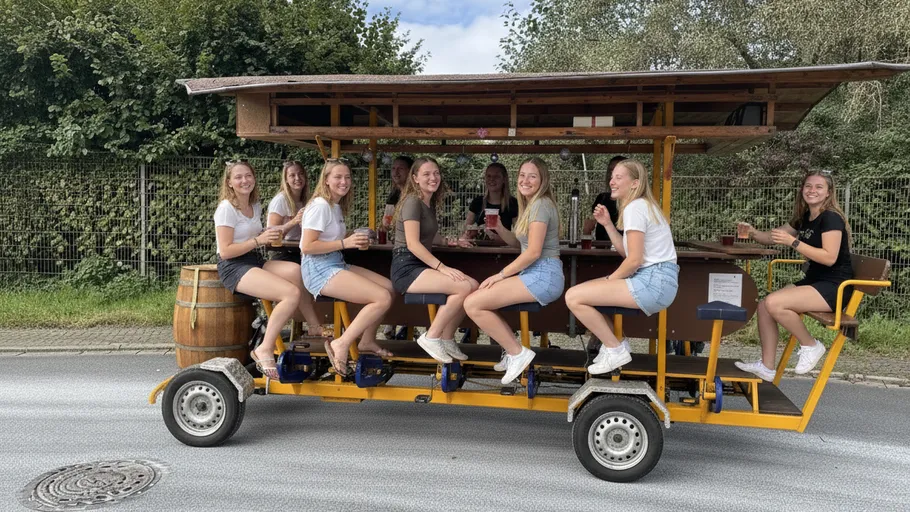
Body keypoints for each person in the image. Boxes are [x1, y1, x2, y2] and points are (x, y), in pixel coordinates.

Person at [734, 170, 853, 381]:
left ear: (828, 193)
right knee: (764, 305)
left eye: (818, 187)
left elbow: (829, 258)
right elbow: (771, 237)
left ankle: (811, 345)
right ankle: (767, 367)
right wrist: (753, 232)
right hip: (815, 282)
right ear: (802, 190)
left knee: (774, 303)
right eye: (808, 186)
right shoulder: (805, 218)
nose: (812, 190)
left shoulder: (831, 219)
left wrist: (794, 243)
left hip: (834, 286)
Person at [565, 159, 679, 374]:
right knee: (586, 293)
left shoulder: (635, 207)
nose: (612, 182)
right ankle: (618, 344)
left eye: (619, 177)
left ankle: (615, 349)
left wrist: (610, 280)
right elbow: (628, 253)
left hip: (653, 281)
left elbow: (634, 261)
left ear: (635, 183)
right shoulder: (641, 206)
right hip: (657, 280)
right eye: (612, 177)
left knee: (573, 297)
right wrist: (607, 224)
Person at [214, 161, 324, 380]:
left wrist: (276, 231)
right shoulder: (227, 208)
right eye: (238, 177)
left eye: (248, 176)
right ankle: (264, 348)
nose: (244, 181)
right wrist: (258, 240)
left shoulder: (253, 205)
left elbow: (259, 235)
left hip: (254, 260)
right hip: (234, 267)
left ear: (254, 179)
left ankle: (314, 327)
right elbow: (225, 251)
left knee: (296, 271)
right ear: (229, 183)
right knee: (289, 293)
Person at [464, 157, 565, 384]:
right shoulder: (531, 205)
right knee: (480, 301)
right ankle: (513, 352)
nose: (525, 180)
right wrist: (499, 228)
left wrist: (500, 275)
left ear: (543, 180)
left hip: (543, 274)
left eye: (532, 176)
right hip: (536, 274)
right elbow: (520, 245)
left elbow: (532, 253)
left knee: (472, 303)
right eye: (522, 175)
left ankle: (517, 353)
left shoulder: (540, 205)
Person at [299, 159, 395, 376]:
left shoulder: (334, 205)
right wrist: (345, 243)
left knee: (388, 287)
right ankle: (341, 343)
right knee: (382, 298)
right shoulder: (320, 206)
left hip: (334, 261)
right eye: (338, 177)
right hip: (318, 269)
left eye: (347, 177)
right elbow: (307, 246)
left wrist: (354, 237)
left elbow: (330, 238)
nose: (344, 181)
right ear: (326, 180)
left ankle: (367, 341)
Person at [390, 157, 479, 362]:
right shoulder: (412, 202)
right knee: (463, 287)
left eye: (436, 173)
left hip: (419, 266)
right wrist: (442, 268)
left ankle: (446, 338)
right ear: (415, 178)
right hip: (406, 267)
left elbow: (431, 236)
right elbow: (412, 244)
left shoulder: (427, 202)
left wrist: (453, 242)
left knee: (472, 285)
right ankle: (431, 337)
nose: (433, 178)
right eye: (427, 174)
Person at [462, 163, 519, 238]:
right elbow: (466, 230)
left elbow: (518, 236)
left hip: (503, 249)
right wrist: (472, 232)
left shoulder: (513, 203)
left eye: (496, 176)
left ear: (504, 179)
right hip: (479, 248)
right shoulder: (478, 201)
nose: (492, 179)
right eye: (488, 176)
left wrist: (496, 237)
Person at [582, 155, 625, 241]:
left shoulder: (635, 203)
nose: (612, 175)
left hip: (624, 252)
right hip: (602, 250)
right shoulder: (602, 198)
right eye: (610, 171)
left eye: (618, 173)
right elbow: (588, 227)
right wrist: (586, 231)